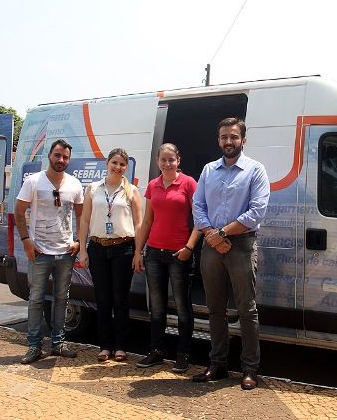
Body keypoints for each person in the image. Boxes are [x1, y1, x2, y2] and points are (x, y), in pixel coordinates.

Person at [192, 117, 270, 390]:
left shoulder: (255, 170)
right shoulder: (208, 170)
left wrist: (222, 233)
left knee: (247, 310)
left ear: (243, 140)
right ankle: (218, 365)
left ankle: (250, 369)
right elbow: (198, 205)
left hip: (242, 244)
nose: (228, 141)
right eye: (224, 136)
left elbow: (256, 211)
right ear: (219, 140)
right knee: (215, 310)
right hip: (212, 245)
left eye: (233, 136)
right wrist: (212, 235)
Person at [15, 139, 84, 364]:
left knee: (62, 299)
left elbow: (82, 216)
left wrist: (79, 242)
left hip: (66, 252)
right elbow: (18, 211)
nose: (61, 160)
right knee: (36, 299)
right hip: (40, 251)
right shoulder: (33, 181)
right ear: (49, 156)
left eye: (65, 157)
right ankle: (34, 346)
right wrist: (26, 240)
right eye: (57, 155)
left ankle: (58, 343)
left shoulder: (75, 184)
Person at [135, 143, 200, 373]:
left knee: (183, 307)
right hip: (154, 252)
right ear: (157, 162)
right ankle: (156, 351)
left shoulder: (189, 183)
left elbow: (201, 219)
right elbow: (147, 222)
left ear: (178, 160)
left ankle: (182, 355)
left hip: (178, 255)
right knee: (158, 307)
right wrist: (138, 252)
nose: (167, 163)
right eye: (163, 160)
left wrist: (189, 248)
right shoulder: (153, 185)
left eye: (171, 159)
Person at [78, 148, 143, 363]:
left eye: (122, 164)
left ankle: (121, 346)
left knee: (120, 300)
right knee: (102, 299)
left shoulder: (132, 190)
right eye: (114, 162)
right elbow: (85, 220)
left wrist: (138, 252)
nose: (118, 167)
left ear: (127, 167)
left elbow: (138, 223)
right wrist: (83, 250)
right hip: (97, 247)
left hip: (123, 248)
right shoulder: (93, 188)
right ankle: (105, 346)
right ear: (107, 163)